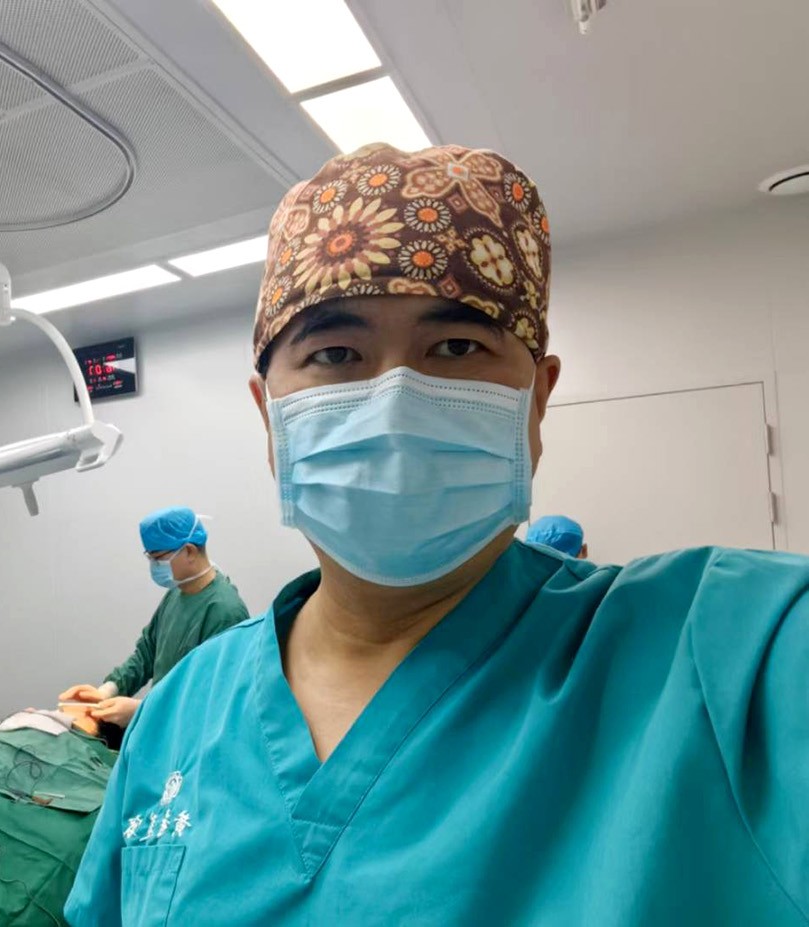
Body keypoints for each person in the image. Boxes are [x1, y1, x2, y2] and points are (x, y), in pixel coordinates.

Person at [65, 144, 809, 926]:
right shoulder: (180, 712)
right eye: (334, 353)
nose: (392, 404)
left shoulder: (726, 655)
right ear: (267, 415)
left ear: (537, 397)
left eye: (456, 347)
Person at [58, 507, 249, 729]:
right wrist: (109, 689)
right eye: (150, 558)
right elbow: (147, 653)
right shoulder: (178, 592)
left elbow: (213, 700)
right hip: (165, 727)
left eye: (158, 559)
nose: (154, 566)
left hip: (192, 736)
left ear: (189, 551)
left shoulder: (224, 612)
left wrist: (142, 711)